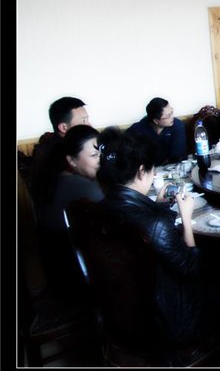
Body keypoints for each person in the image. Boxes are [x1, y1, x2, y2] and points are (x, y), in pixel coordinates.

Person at [97, 128, 204, 348]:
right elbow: (192, 269)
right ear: (141, 171)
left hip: (124, 309)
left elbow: (141, 223)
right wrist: (186, 218)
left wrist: (157, 206)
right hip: (171, 320)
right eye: (152, 170)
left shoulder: (102, 207)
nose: (153, 175)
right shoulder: (156, 225)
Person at [32, 125, 104, 297]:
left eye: (103, 153)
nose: (102, 160)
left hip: (58, 272)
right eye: (94, 155)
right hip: (80, 275)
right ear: (71, 160)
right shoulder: (84, 188)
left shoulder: (54, 176)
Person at [28, 97, 91, 185]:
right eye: (83, 120)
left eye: (87, 120)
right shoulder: (64, 155)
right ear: (63, 127)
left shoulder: (51, 141)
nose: (89, 125)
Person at [126, 97, 186, 165]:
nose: (172, 117)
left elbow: (178, 155)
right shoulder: (138, 129)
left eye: (172, 112)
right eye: (168, 116)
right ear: (156, 121)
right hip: (147, 167)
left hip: (173, 166)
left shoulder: (178, 126)